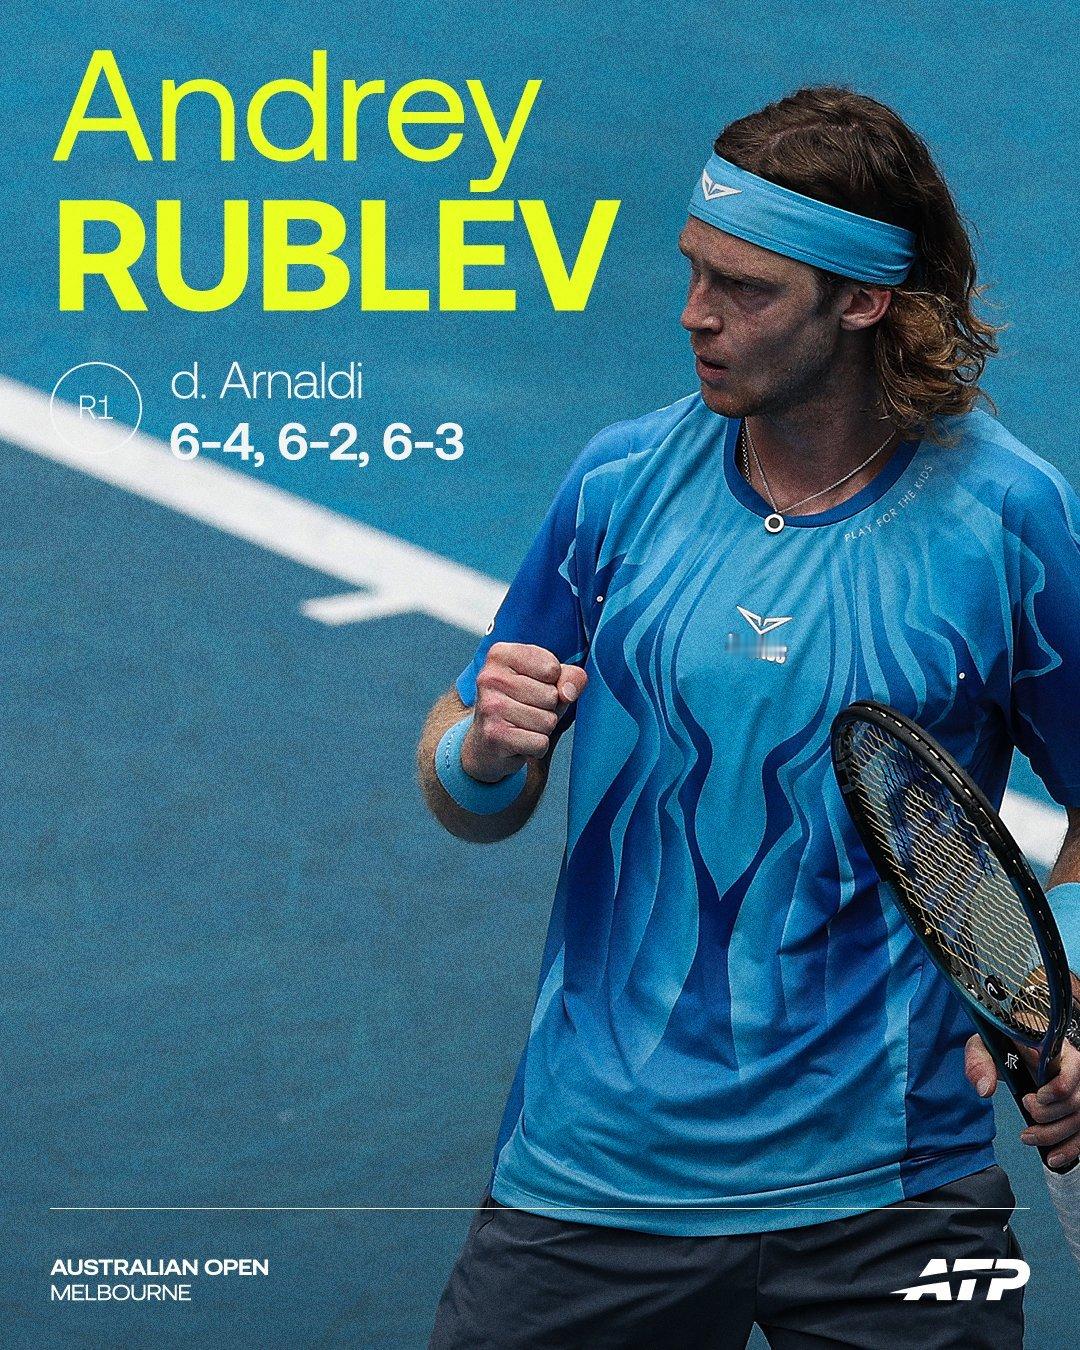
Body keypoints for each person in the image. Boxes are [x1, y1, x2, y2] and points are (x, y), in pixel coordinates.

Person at [417, 85, 1080, 1348]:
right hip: (596, 1166)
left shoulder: (1005, 520)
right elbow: (464, 787)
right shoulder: (618, 482)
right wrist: (484, 749)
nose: (695, 314)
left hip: (893, 1184)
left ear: (864, 301)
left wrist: (1067, 983)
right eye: (693, 270)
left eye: (746, 288)